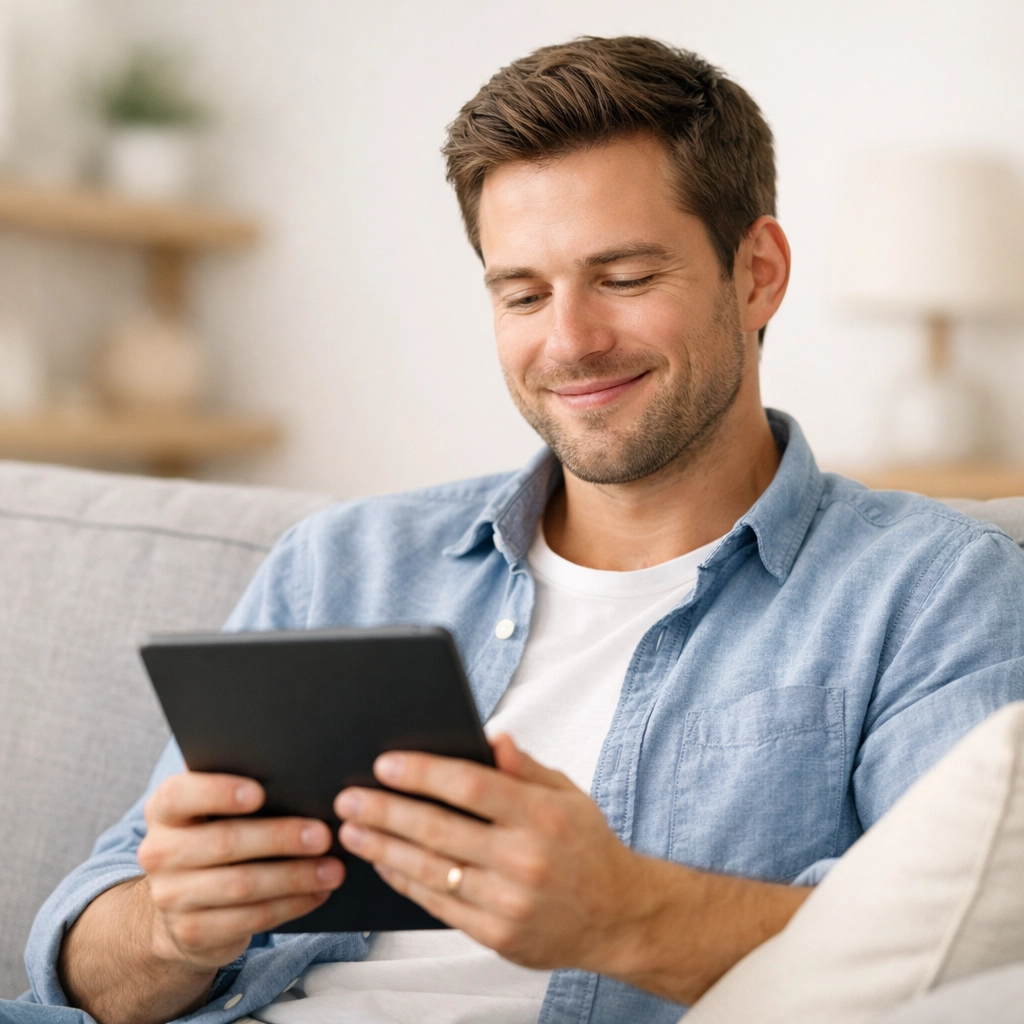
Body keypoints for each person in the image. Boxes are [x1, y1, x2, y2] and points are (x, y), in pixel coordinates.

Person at [21, 35, 1024, 1024]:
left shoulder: (931, 590)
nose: (569, 341)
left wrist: (621, 914)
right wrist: (171, 929)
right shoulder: (346, 564)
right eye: (522, 293)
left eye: (624, 277)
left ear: (756, 272)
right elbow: (89, 966)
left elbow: (965, 968)